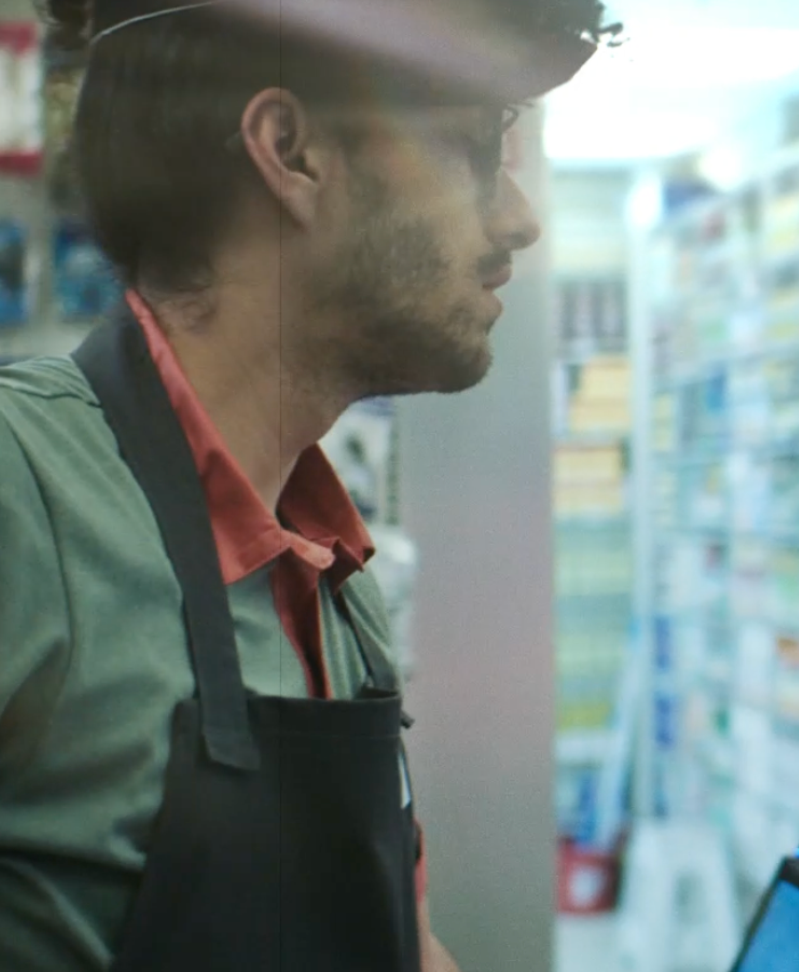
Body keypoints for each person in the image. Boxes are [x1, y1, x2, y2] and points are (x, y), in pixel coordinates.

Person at [0, 1, 615, 970]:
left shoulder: (336, 588)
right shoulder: (22, 491)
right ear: (291, 151)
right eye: (471, 147)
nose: (518, 218)